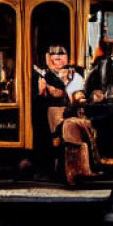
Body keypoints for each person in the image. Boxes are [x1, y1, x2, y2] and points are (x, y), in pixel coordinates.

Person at [30, 44, 83, 176]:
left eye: (61, 54)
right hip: (48, 119)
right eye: (53, 54)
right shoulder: (43, 76)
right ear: (47, 57)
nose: (58, 57)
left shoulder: (76, 75)